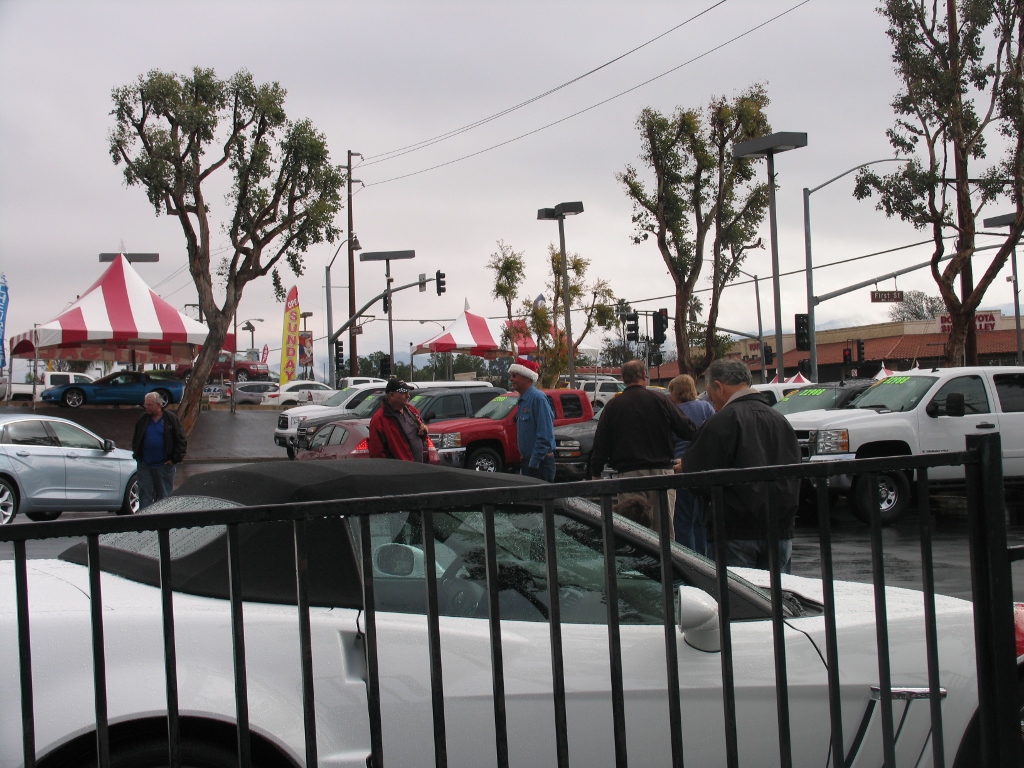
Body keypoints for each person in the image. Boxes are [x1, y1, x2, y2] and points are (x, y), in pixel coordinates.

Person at [680, 358, 801, 573]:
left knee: (739, 601)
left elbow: (696, 476)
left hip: (735, 529)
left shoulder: (722, 421)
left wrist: (684, 467)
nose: (711, 400)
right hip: (780, 527)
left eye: (709, 393)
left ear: (719, 387)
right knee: (778, 600)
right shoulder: (780, 420)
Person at [589, 360, 695, 538]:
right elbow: (688, 430)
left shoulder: (613, 406)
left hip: (629, 474)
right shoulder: (660, 399)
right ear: (644, 377)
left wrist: (596, 472)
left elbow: (601, 442)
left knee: (634, 529)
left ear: (623, 379)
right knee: (664, 530)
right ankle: (665, 563)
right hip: (661, 473)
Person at [668, 374, 716, 554]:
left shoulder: (673, 411)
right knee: (701, 520)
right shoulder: (706, 407)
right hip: (702, 469)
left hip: (679, 470)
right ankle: (704, 560)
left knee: (683, 521)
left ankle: (688, 561)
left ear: (676, 392)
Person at [132, 391, 188, 509]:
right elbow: (136, 438)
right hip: (145, 464)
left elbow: (181, 440)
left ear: (158, 405)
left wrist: (174, 459)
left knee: (163, 495)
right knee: (145, 493)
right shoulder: (143, 419)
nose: (145, 407)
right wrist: (138, 455)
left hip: (164, 465)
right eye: (145, 404)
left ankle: (162, 521)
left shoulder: (171, 419)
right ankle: (145, 522)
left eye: (149, 405)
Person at [508, 358, 556, 481]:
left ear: (527, 378)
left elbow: (545, 436)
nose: (511, 379)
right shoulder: (523, 400)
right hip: (528, 462)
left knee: (540, 500)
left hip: (540, 464)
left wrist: (533, 464)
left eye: (514, 375)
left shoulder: (538, 399)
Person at [369, 379, 428, 462]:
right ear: (391, 395)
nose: (408, 396)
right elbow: (377, 453)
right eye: (403, 392)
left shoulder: (413, 411)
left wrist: (424, 432)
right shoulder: (379, 419)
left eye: (408, 392)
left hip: (418, 468)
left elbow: (422, 437)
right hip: (399, 471)